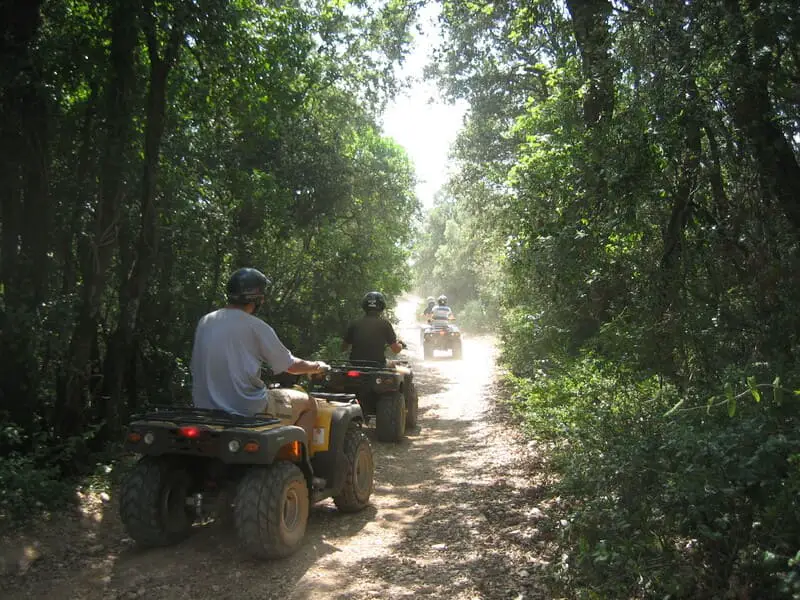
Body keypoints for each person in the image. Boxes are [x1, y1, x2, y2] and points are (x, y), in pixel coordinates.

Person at [190, 267, 328, 447]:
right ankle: (300, 467)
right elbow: (290, 366)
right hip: (247, 409)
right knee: (309, 404)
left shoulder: (205, 321)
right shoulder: (256, 326)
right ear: (257, 299)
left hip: (204, 409)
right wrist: (316, 366)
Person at [341, 291, 404, 365]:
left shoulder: (355, 323)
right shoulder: (385, 324)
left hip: (355, 364)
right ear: (382, 306)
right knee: (398, 368)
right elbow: (396, 349)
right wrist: (401, 345)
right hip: (377, 365)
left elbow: (343, 348)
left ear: (364, 306)